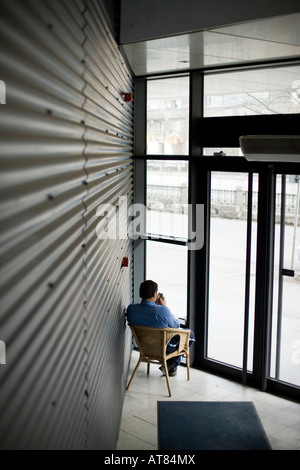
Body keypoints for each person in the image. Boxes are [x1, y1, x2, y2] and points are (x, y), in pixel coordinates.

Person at [127, 280, 195, 377]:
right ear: (155, 293)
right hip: (163, 347)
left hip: (144, 346)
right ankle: (171, 365)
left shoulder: (131, 309)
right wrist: (163, 306)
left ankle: (170, 366)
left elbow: (130, 319)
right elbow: (176, 326)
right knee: (190, 334)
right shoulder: (163, 311)